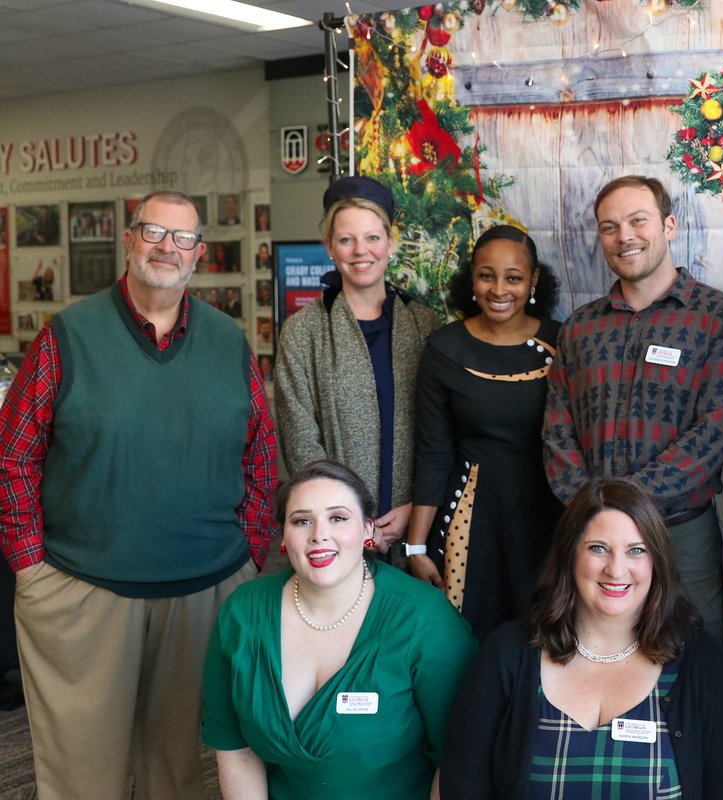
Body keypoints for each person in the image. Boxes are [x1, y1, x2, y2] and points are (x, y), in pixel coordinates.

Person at [0, 190, 277, 800]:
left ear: (199, 255)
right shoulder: (68, 335)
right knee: (81, 777)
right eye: (153, 232)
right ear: (129, 240)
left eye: (181, 238)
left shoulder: (229, 343)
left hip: (204, 590)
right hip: (83, 591)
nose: (166, 248)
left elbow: (261, 456)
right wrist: (29, 565)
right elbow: (14, 456)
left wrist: (251, 552)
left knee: (176, 774)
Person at [440, 477, 723, 799]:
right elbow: (463, 784)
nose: (616, 570)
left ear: (656, 562)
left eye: (636, 551)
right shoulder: (508, 653)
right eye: (598, 548)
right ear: (569, 555)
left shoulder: (703, 664)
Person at [543, 175, 723, 640]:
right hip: (590, 532)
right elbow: (557, 430)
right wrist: (594, 510)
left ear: (670, 226)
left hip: (681, 533)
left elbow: (716, 430)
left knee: (692, 656)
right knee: (591, 647)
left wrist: (625, 506)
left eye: (638, 221)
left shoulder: (717, 317)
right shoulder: (580, 327)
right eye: (609, 227)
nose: (625, 237)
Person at [203, 460, 477, 800]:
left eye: (338, 518)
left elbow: (459, 760)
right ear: (284, 537)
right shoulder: (242, 613)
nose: (319, 534)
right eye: (302, 520)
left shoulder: (426, 620)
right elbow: (236, 749)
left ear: (367, 531)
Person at [409, 224, 563, 641]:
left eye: (513, 277)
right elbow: (433, 452)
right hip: (470, 522)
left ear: (532, 282)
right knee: (468, 642)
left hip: (551, 517)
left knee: (545, 640)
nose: (499, 289)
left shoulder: (561, 341)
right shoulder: (444, 348)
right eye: (486, 275)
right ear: (471, 278)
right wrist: (416, 546)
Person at [276, 175, 440, 554]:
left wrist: (418, 508)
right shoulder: (303, 332)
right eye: (346, 239)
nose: (360, 251)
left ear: (390, 243)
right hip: (333, 538)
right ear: (330, 247)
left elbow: (440, 434)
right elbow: (301, 442)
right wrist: (350, 521)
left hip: (413, 531)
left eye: (372, 238)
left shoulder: (424, 325)